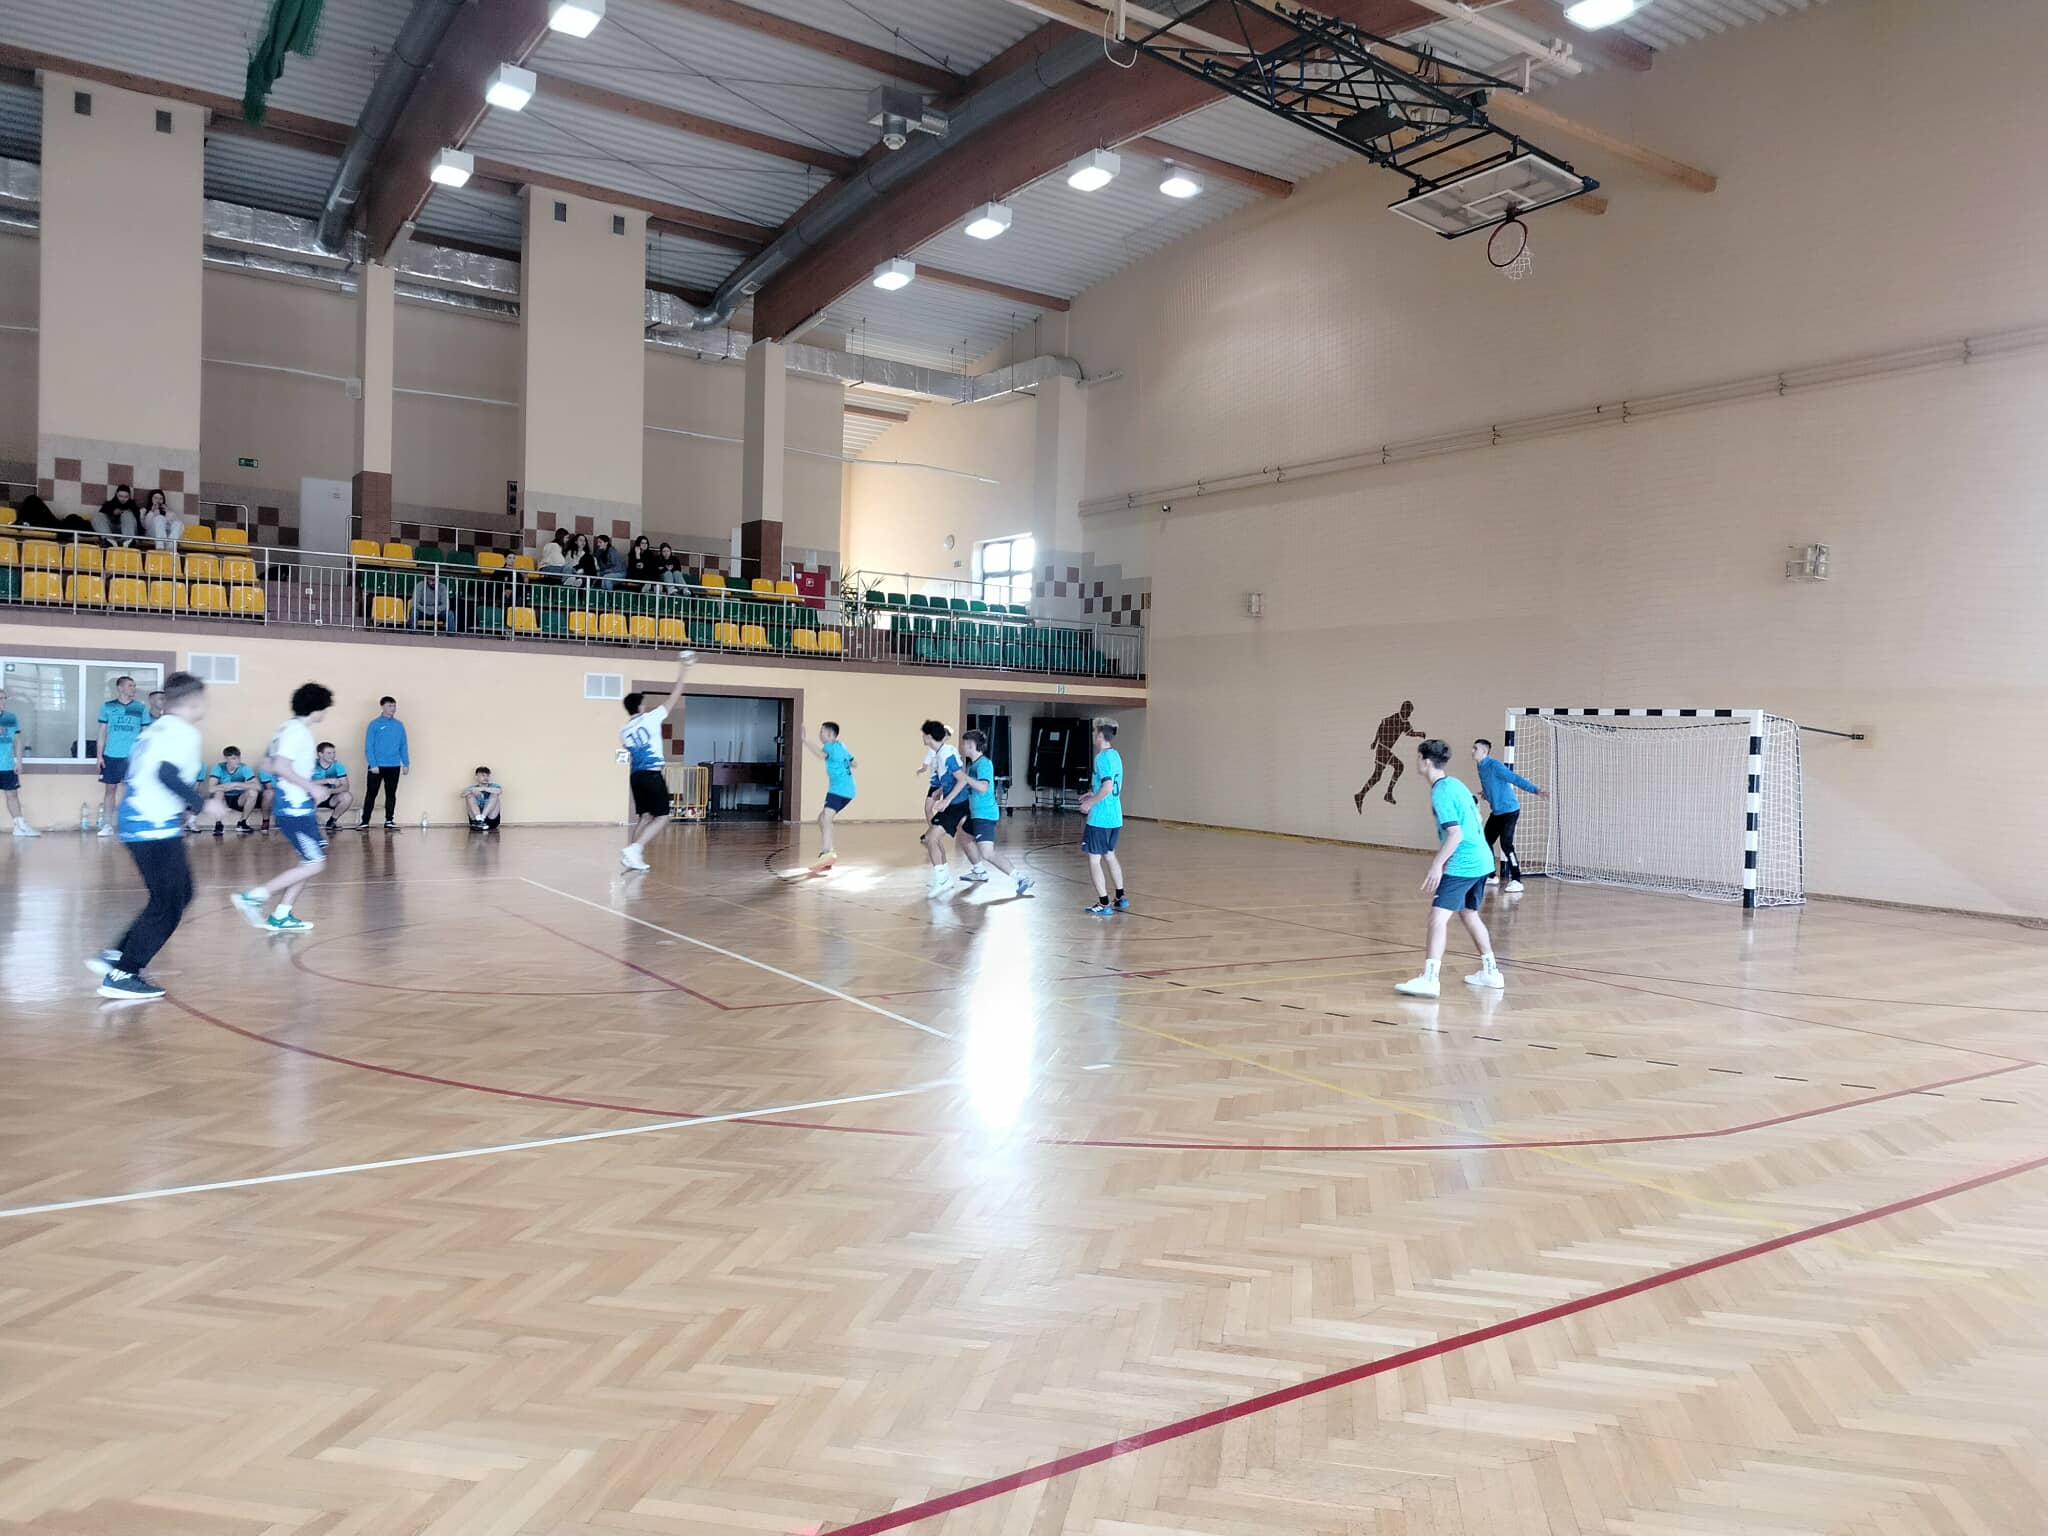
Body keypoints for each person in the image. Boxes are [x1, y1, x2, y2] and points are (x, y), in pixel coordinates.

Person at [87, 672, 229, 1000]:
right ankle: (123, 973)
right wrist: (202, 804)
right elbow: (166, 773)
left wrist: (184, 808)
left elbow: (150, 773)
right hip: (151, 824)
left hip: (142, 819)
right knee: (170, 902)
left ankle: (116, 956)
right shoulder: (183, 732)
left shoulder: (156, 729)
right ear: (193, 702)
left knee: (177, 894)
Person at [1395, 739, 1503, 997]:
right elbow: (1477, 816)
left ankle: (1430, 979)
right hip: (1483, 859)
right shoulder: (1456, 784)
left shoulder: (1440, 792)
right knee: (1469, 914)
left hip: (1464, 863)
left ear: (1425, 761)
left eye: (1418, 757)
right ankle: (1491, 972)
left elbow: (1455, 834)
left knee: (1437, 918)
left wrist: (1437, 865)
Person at [232, 683, 335, 934]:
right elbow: (279, 766)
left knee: (309, 860)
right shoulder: (297, 732)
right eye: (325, 708)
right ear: (316, 707)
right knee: (315, 864)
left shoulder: (285, 729)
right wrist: (311, 787)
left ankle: (282, 914)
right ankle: (254, 897)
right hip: (294, 809)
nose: (326, 712)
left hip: (296, 806)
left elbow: (267, 764)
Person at [618, 652, 694, 871]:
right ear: (640, 706)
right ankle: (635, 849)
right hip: (652, 775)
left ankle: (632, 856)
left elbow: (631, 749)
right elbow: (674, 695)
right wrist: (684, 670)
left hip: (636, 776)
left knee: (644, 817)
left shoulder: (624, 731)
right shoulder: (651, 718)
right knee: (663, 817)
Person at [958, 729, 1033, 897]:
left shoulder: (984, 764)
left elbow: (983, 787)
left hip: (985, 815)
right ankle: (979, 872)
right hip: (975, 813)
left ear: (971, 745)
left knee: (987, 853)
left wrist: (964, 777)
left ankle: (1021, 878)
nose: (962, 746)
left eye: (964, 743)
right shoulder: (971, 766)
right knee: (965, 836)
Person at [1472, 738, 1543, 894]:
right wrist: (1487, 793)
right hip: (1497, 812)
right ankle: (1491, 875)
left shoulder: (1495, 765)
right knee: (1485, 841)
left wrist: (1535, 790)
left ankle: (1517, 880)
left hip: (1510, 811)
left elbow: (1514, 778)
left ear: (1484, 751)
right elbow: (1491, 784)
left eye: (1475, 748)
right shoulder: (1480, 766)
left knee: (1506, 844)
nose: (1472, 751)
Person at [1079, 719, 1127, 915]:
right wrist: (1093, 793)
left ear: (1099, 735)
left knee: (1094, 860)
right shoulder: (1115, 755)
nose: (1092, 735)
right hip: (1115, 816)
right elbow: (1111, 786)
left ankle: (1104, 903)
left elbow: (1107, 787)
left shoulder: (1101, 758)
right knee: (1110, 855)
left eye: (1094, 732)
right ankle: (1121, 896)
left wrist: (1091, 803)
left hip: (1101, 818)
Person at [94, 676, 151, 836]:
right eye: (130, 685)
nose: (133, 688)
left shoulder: (140, 708)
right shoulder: (107, 706)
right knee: (110, 790)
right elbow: (102, 733)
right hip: (112, 755)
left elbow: (146, 734)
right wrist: (99, 756)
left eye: (134, 685)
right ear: (120, 687)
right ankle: (107, 825)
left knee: (133, 791)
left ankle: (133, 823)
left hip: (133, 757)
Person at [919, 721, 969, 895]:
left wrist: (946, 800)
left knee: (931, 838)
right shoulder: (940, 753)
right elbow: (950, 778)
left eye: (923, 734)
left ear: (929, 736)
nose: (922, 737)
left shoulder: (946, 755)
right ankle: (944, 877)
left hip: (957, 804)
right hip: (953, 803)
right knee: (932, 838)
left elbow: (962, 779)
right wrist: (940, 790)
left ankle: (943, 880)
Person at [1354, 700, 1425, 811]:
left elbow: (1410, 733)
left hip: (1386, 751)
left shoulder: (1405, 722)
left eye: (1410, 713)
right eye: (1408, 712)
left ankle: (1372, 794)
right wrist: (1375, 741)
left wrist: (1419, 734)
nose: (1409, 715)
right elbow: (1381, 726)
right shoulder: (1394, 718)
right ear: (1403, 710)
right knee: (1382, 774)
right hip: (1382, 749)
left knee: (1387, 772)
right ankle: (1364, 795)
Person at [803, 721, 856, 866]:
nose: (820, 735)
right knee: (822, 818)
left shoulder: (830, 746)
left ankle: (827, 852)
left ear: (831, 735)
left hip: (839, 790)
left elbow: (821, 755)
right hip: (849, 790)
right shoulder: (841, 746)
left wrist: (805, 740)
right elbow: (854, 763)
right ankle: (830, 851)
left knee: (826, 819)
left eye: (822, 732)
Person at [359, 695, 408, 829]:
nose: (392, 708)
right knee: (371, 793)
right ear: (382, 707)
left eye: (394, 706)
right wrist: (373, 764)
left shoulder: (399, 725)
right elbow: (369, 746)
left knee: (391, 794)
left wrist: (406, 763)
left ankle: (389, 820)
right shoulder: (374, 724)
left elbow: (403, 745)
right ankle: (365, 821)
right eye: (389, 706)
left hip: (394, 765)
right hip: (377, 766)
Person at [0, 687, 38, 836]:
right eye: (0, 698)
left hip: (7, 765)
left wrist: (19, 761)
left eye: (5, 698)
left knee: (13, 795)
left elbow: (17, 740)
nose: (3, 701)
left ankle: (19, 826)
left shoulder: (11, 717)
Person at [208, 747, 266, 834]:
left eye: (239, 758)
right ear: (226, 759)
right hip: (223, 800)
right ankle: (218, 824)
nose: (237, 761)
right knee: (218, 792)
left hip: (239, 799)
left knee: (253, 792)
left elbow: (258, 786)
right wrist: (228, 786)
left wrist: (237, 784)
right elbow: (211, 789)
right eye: (234, 758)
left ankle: (242, 823)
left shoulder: (244, 767)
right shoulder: (219, 767)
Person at [312, 741, 353, 831]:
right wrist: (325, 781)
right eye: (329, 753)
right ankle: (307, 822)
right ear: (320, 754)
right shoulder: (311, 765)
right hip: (312, 797)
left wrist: (330, 791)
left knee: (347, 796)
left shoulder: (338, 765)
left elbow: (345, 786)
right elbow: (302, 782)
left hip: (330, 797)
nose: (332, 756)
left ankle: (331, 822)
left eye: (334, 753)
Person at [464, 767, 503, 831]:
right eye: (483, 775)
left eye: (487, 775)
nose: (486, 778)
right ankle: (479, 819)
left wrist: (483, 788)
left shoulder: (494, 786)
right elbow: (462, 794)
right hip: (475, 821)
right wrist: (472, 791)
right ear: (476, 776)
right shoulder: (473, 787)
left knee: (494, 794)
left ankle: (482, 819)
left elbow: (500, 791)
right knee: (469, 795)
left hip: (491, 819)